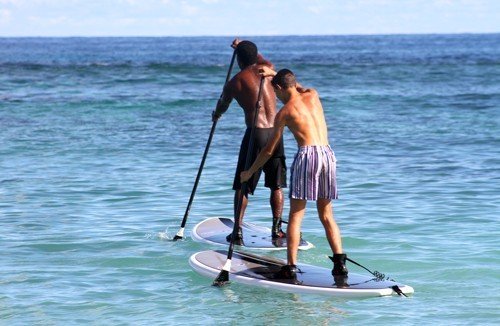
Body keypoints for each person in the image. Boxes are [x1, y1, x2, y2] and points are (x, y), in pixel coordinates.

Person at [240, 67, 348, 279]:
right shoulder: (313, 95)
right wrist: (273, 72)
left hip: (307, 156)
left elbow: (269, 150)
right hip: (327, 154)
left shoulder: (285, 113)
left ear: (279, 88)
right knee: (327, 215)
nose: (277, 97)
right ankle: (340, 264)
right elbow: (296, 86)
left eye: (276, 92)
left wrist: (250, 172)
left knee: (296, 215)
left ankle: (290, 267)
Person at [212, 39, 287, 241]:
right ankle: (276, 229)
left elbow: (223, 104)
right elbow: (261, 59)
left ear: (238, 60)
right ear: (256, 56)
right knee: (276, 185)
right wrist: (243, 46)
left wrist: (216, 114)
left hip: (256, 134)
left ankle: (237, 230)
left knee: (242, 184)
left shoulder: (234, 82)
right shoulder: (267, 69)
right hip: (276, 133)